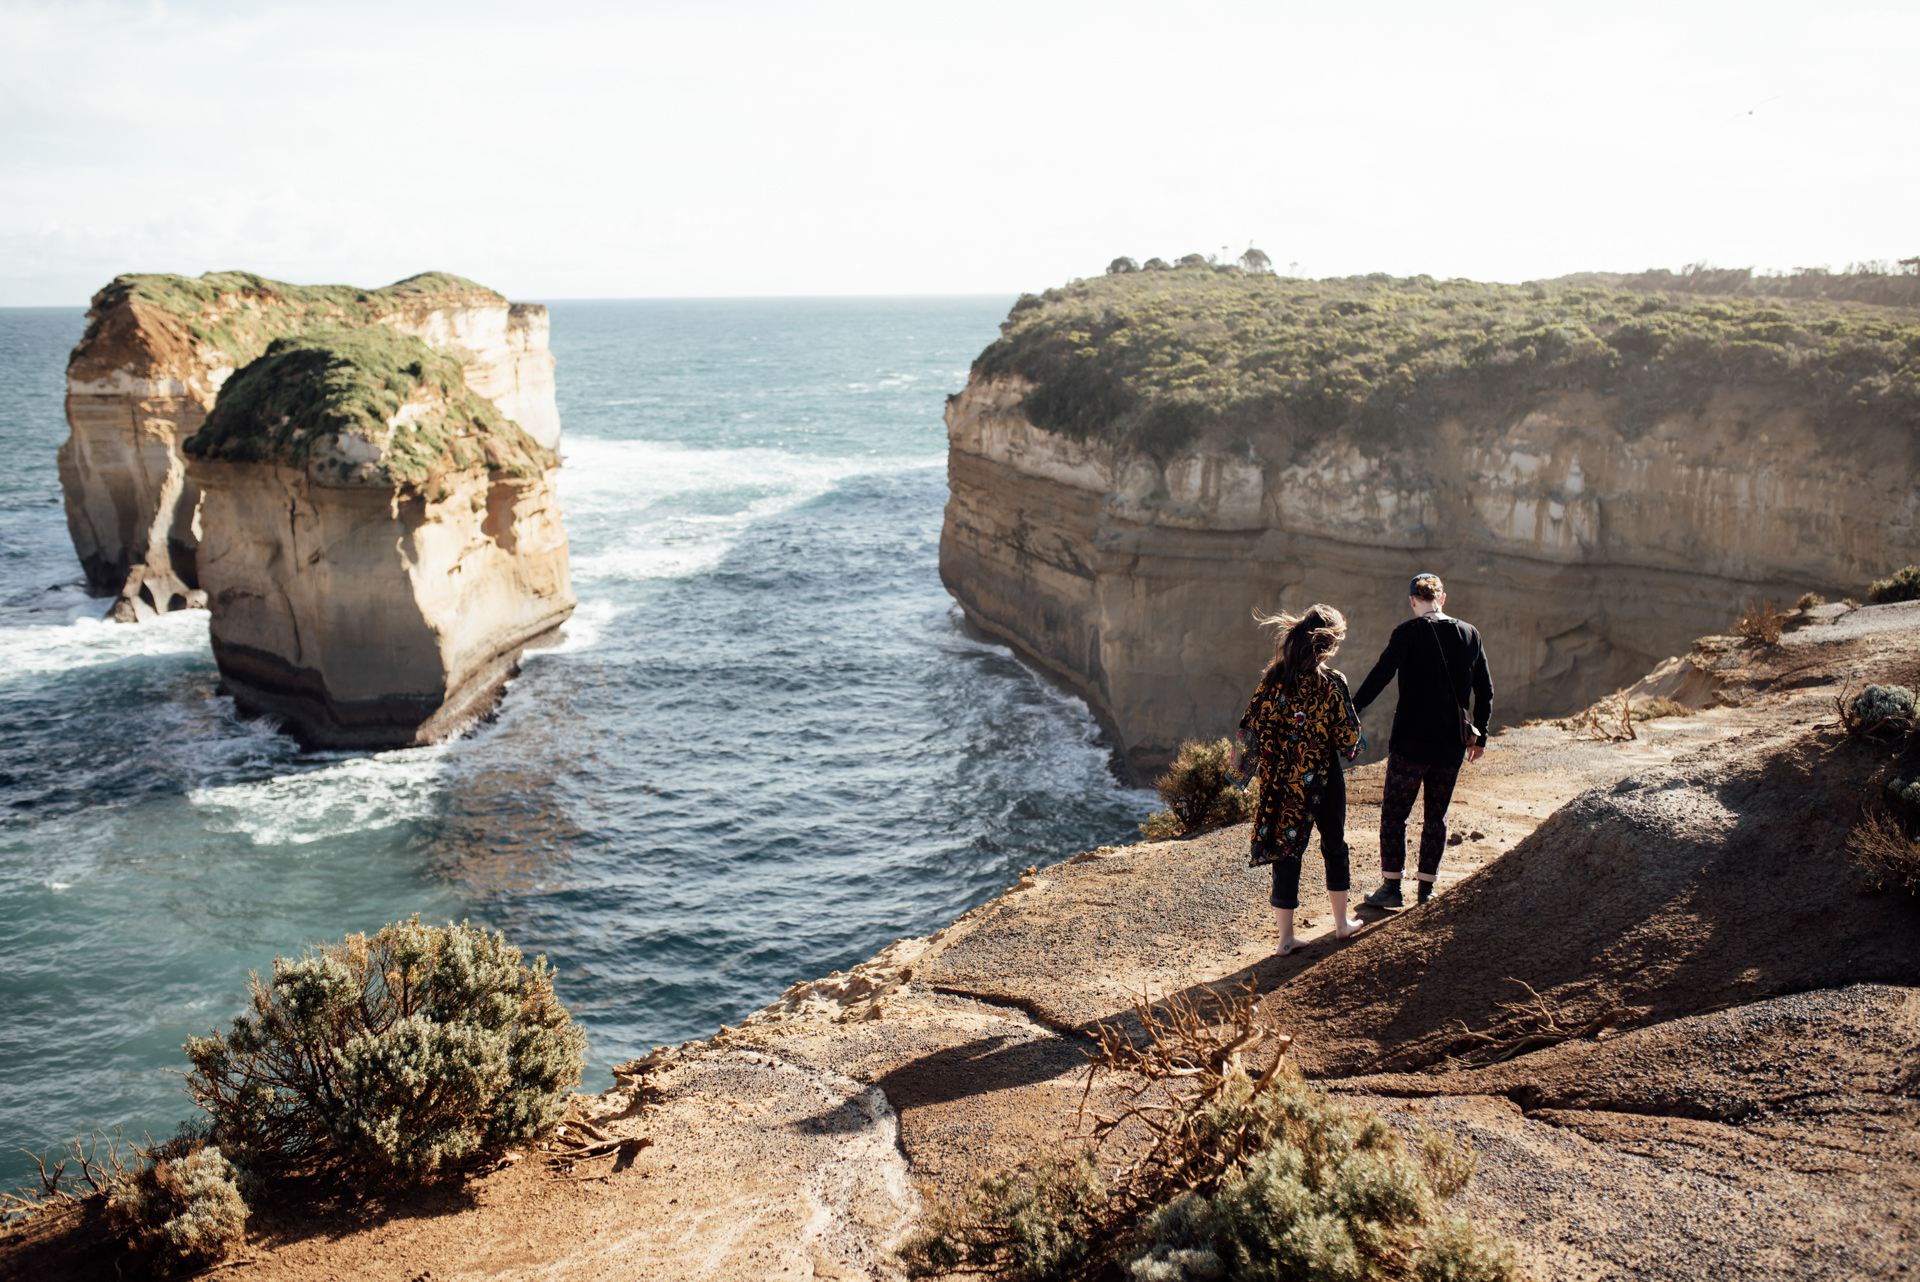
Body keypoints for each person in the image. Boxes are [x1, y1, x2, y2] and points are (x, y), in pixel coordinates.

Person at [1351, 573, 1494, 908]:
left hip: (1411, 743)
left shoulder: (1408, 632)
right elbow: (1485, 691)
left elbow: (1381, 675)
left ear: (1413, 601)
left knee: (1395, 813)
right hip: (1451, 746)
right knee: (1436, 815)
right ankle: (1426, 890)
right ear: (1442, 598)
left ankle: (1391, 888)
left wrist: (1352, 709)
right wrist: (1480, 735)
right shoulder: (1470, 634)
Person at [1236, 603, 1368, 957]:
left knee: (1286, 851)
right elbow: (1347, 737)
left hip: (1282, 780)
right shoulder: (1332, 682)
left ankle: (1285, 940)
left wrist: (1245, 773)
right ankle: (1342, 925)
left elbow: (1251, 725)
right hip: (1323, 777)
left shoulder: (1274, 679)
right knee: (1334, 845)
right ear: (1330, 644)